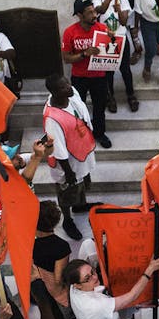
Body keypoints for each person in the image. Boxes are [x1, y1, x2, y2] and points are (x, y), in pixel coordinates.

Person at [44, 74, 99, 239]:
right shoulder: (52, 118)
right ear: (54, 93)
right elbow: (58, 148)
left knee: (83, 182)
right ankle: (67, 220)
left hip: (82, 152)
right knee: (67, 192)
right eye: (63, 87)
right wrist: (68, 172)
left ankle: (80, 205)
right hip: (69, 162)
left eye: (67, 83)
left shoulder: (71, 93)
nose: (68, 87)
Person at [62, 0, 115, 149]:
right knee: (79, 108)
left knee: (100, 107)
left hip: (99, 76)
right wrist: (84, 54)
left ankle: (99, 133)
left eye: (94, 11)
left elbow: (112, 49)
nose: (94, 15)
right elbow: (66, 58)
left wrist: (112, 39)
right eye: (90, 13)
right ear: (80, 15)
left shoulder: (102, 28)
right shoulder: (70, 32)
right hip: (79, 78)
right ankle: (81, 135)